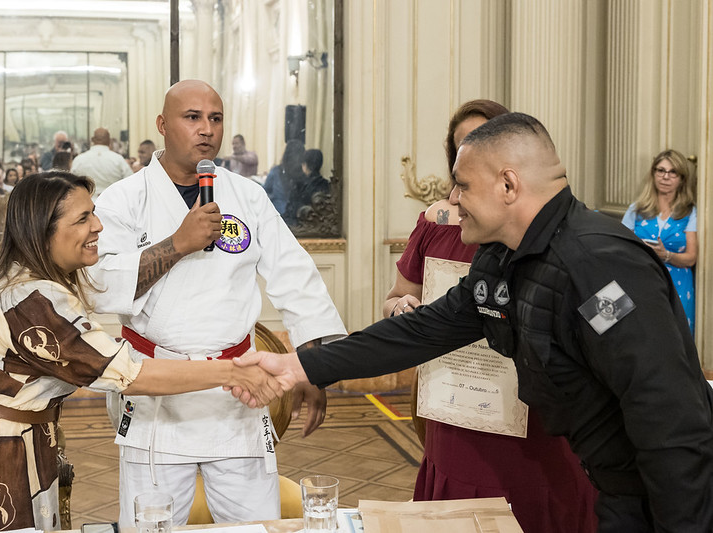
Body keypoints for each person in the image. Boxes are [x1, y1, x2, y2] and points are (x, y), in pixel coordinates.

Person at [236, 112, 713, 532]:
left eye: (463, 184)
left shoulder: (601, 264)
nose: (452, 198)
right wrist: (304, 365)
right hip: (614, 483)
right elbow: (421, 330)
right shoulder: (500, 259)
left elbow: (671, 417)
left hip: (660, 496)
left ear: (509, 185)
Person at [0, 172, 282, 533]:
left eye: (93, 213)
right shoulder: (33, 302)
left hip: (9, 435)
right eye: (82, 219)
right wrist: (233, 372)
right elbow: (129, 374)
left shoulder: (28, 275)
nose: (98, 226)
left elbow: (118, 283)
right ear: (42, 230)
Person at [87, 79, 346, 527]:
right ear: (163, 125)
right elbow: (100, 285)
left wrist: (313, 363)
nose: (206, 129)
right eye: (192, 118)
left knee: (254, 525)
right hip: (157, 395)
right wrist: (178, 244)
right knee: (153, 524)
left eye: (216, 118)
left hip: (237, 395)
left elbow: (295, 276)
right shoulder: (123, 200)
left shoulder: (246, 195)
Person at [384, 100, 596, 532]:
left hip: (527, 414)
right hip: (456, 402)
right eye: (463, 147)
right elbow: (398, 300)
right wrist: (402, 311)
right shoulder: (435, 226)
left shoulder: (558, 235)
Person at [622, 149, 696, 332]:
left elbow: (691, 258)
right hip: (642, 280)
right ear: (653, 174)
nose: (665, 177)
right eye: (660, 170)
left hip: (678, 285)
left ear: (681, 179)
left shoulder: (689, 211)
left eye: (673, 172)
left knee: (678, 338)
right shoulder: (636, 209)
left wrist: (667, 255)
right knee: (646, 336)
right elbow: (620, 246)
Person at [70, 127, 132, 198]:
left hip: (86, 202)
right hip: (113, 201)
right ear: (109, 141)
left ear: (92, 139)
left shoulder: (79, 160)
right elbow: (130, 181)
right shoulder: (118, 160)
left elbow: (71, 183)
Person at [263, 139, 305, 218]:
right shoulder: (304, 175)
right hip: (299, 218)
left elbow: (264, 191)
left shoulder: (276, 171)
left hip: (278, 216)